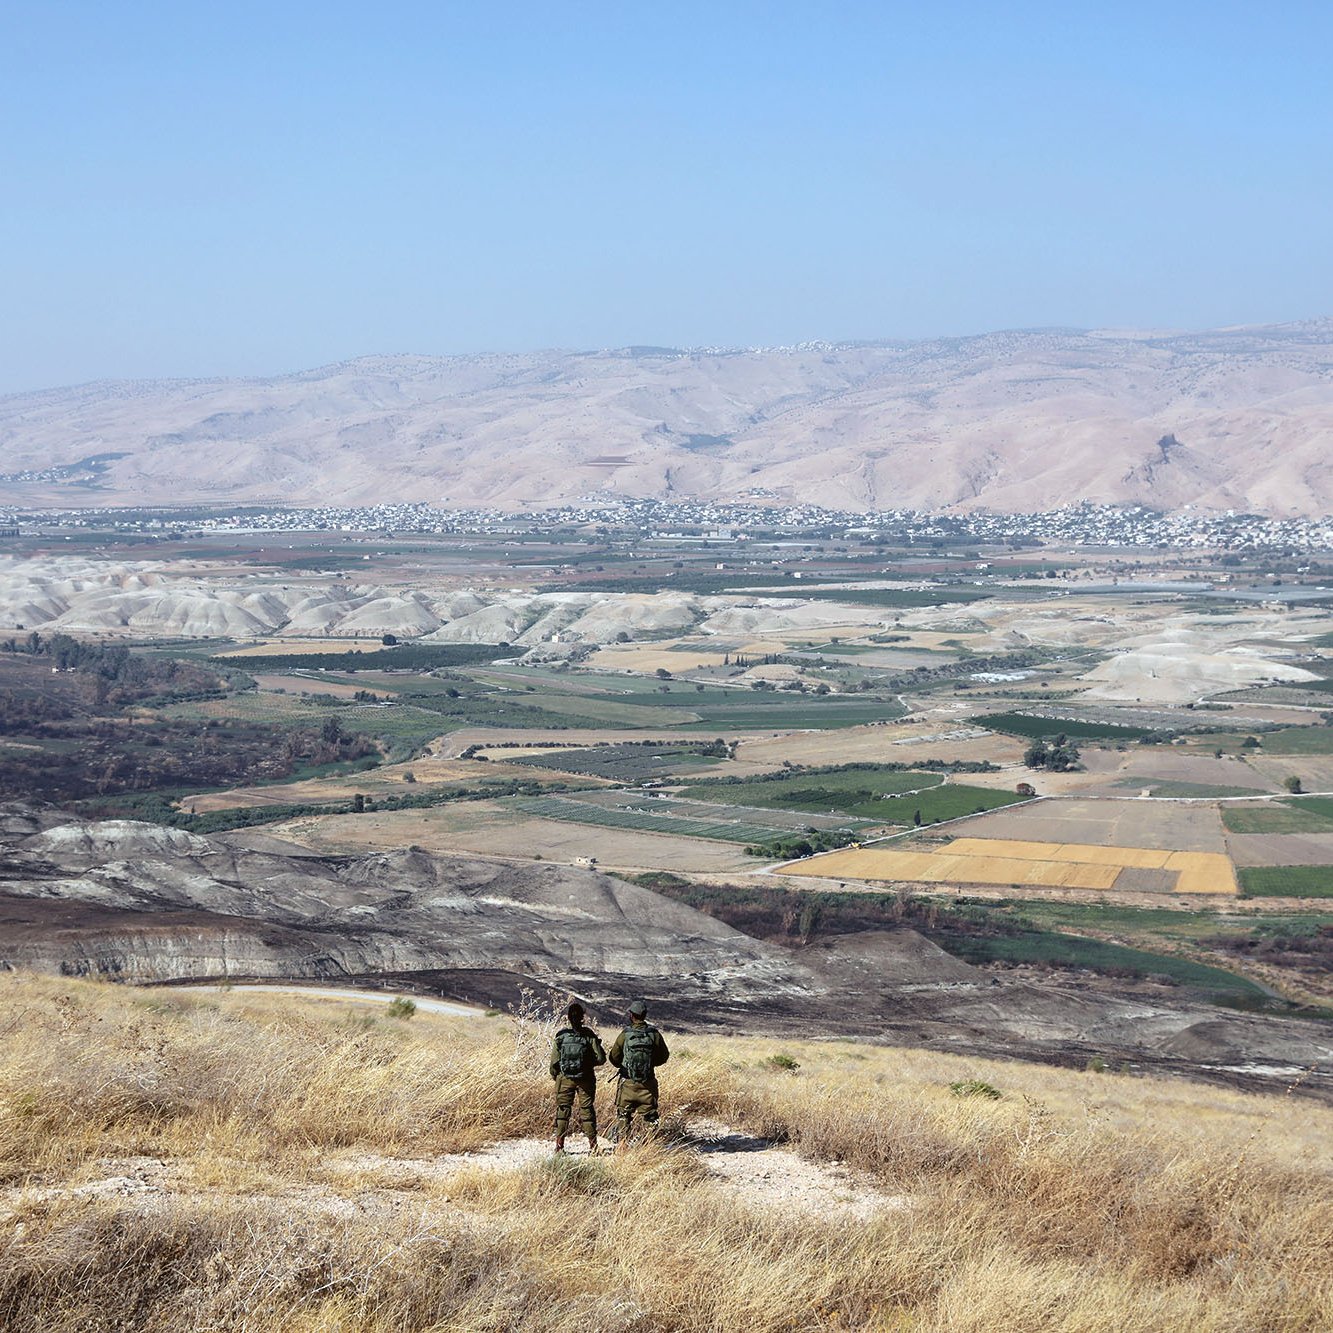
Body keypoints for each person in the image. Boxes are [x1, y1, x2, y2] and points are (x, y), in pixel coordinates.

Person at [608, 998, 669, 1149]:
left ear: (631, 1015)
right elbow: (664, 1056)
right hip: (648, 1083)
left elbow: (613, 1057)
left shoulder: (625, 1034)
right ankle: (650, 1147)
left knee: (623, 1116)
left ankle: (622, 1146)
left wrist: (626, 1067)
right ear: (645, 1015)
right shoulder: (654, 1034)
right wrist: (648, 1065)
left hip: (627, 1083)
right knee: (650, 1116)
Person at [549, 1001, 606, 1155]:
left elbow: (554, 1062)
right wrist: (587, 1064)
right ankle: (593, 1147)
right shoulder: (588, 1035)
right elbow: (601, 1059)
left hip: (564, 1078)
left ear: (568, 1018)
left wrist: (558, 1077)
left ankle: (559, 1147)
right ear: (582, 1017)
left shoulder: (561, 1036)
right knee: (587, 1111)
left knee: (563, 1112)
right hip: (586, 1079)